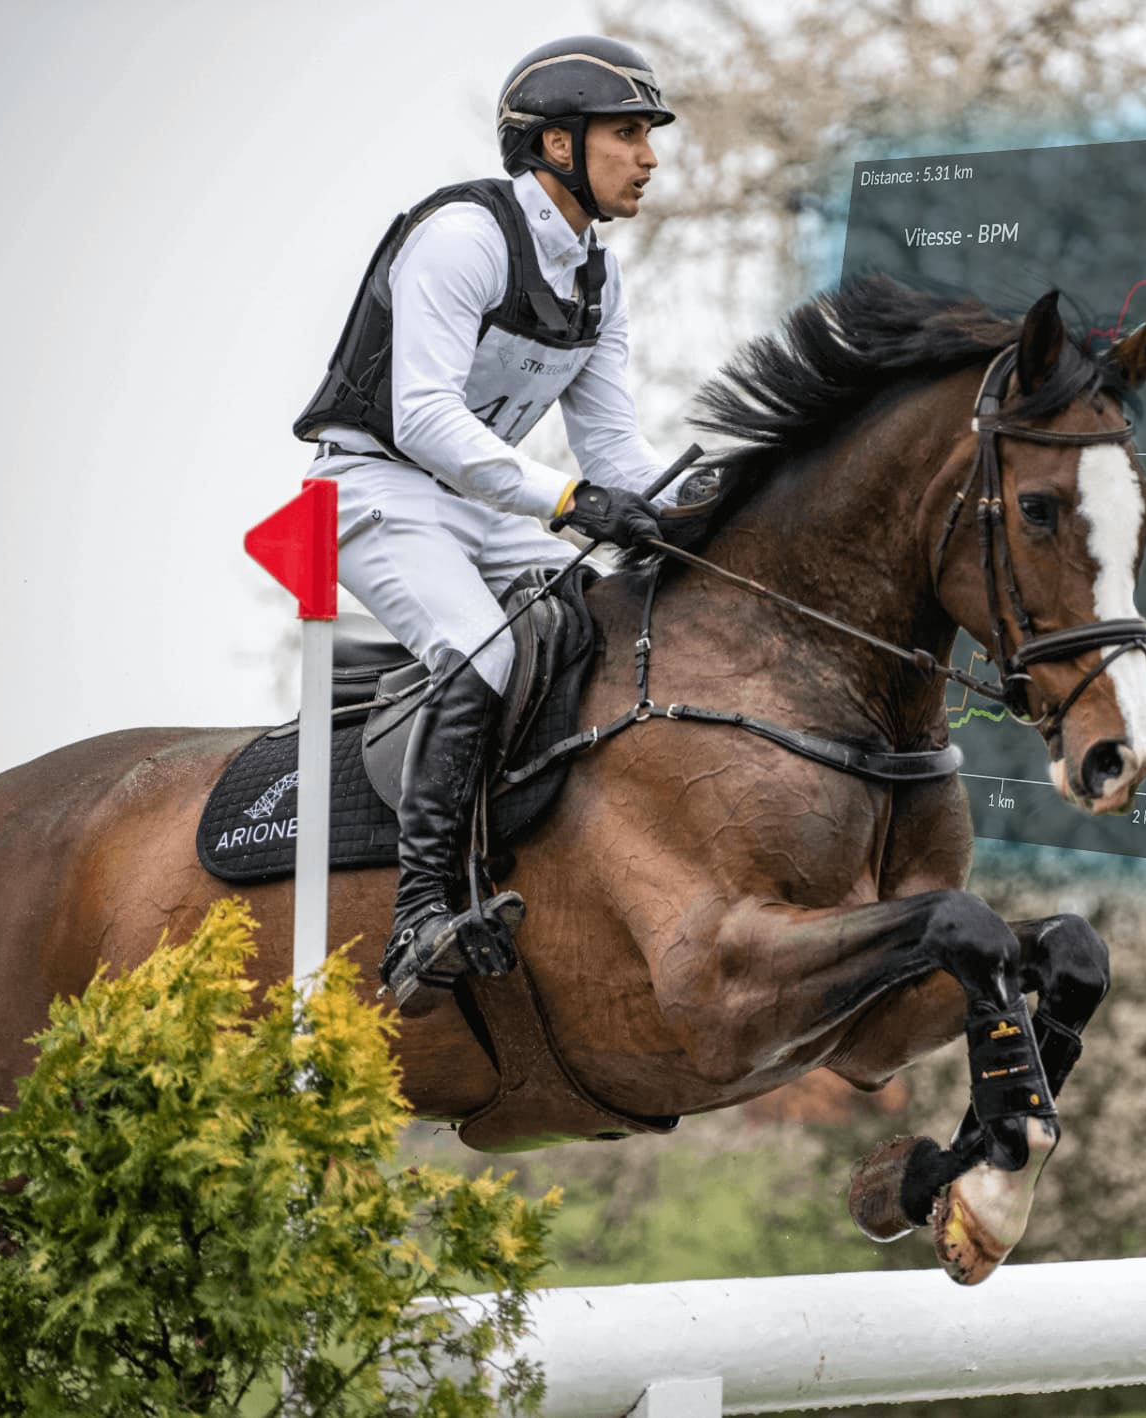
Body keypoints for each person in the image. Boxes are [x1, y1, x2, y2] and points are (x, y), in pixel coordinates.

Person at [291, 35, 676, 1017]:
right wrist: (565, 500)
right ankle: (419, 915)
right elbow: (421, 417)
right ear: (557, 143)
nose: (649, 157)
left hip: (481, 502)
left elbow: (616, 454)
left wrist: (694, 504)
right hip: (376, 488)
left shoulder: (598, 278)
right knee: (482, 654)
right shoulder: (465, 238)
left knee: (601, 618)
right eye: (628, 134)